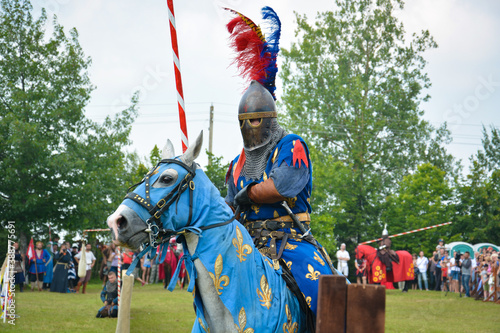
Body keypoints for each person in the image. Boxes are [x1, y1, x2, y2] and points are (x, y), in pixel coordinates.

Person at [224, 80, 334, 317]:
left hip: (289, 241)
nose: (250, 126)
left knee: (325, 297)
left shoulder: (291, 144)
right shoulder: (237, 164)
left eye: (256, 120)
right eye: (245, 121)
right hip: (247, 245)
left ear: (270, 120)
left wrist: (249, 193)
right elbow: (228, 209)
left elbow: (281, 187)